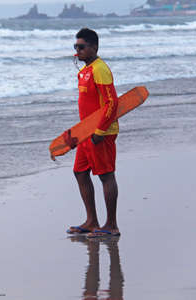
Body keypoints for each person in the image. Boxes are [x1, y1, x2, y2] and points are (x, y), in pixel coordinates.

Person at [66, 28, 120, 238]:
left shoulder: (100, 69)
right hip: (86, 133)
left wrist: (100, 130)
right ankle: (91, 221)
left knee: (106, 175)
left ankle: (111, 225)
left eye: (81, 47)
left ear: (94, 47)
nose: (77, 51)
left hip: (101, 133)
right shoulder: (85, 71)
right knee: (80, 172)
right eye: (75, 47)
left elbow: (111, 102)